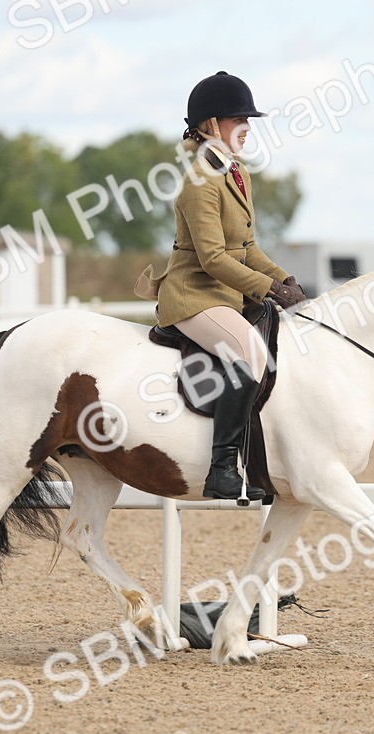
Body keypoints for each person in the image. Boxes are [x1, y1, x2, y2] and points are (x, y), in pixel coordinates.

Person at [135, 71, 307, 501]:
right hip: (193, 294)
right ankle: (222, 468)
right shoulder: (199, 182)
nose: (247, 127)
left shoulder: (236, 173)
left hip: (223, 294)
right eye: (239, 119)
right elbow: (213, 258)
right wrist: (268, 289)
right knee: (252, 353)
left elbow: (247, 246)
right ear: (212, 125)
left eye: (247, 119)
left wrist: (284, 278)